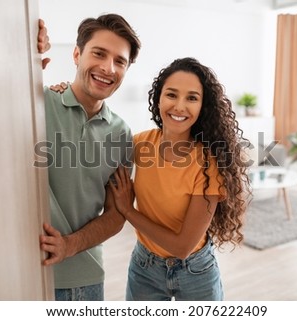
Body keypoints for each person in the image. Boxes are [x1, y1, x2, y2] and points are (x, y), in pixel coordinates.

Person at [108, 57, 250, 301]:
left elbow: (182, 247)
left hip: (195, 272)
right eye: (171, 95)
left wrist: (128, 211)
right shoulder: (140, 144)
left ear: (203, 106)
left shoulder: (208, 165)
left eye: (192, 98)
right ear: (158, 98)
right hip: (144, 268)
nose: (179, 106)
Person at [36, 14, 141, 301]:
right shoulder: (38, 103)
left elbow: (116, 215)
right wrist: (28, 55)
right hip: (28, 272)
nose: (108, 68)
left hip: (86, 280)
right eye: (99, 53)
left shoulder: (121, 133)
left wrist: (69, 245)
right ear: (76, 54)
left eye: (120, 61)